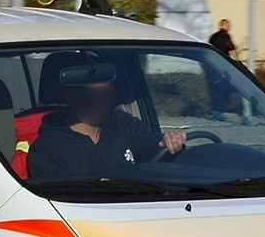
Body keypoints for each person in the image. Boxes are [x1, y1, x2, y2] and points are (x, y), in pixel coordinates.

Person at [26, 54, 186, 182]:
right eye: (89, 94)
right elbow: (58, 203)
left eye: (106, 94)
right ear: (68, 95)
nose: (100, 100)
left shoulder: (124, 125)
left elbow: (152, 147)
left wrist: (169, 142)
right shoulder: (48, 147)